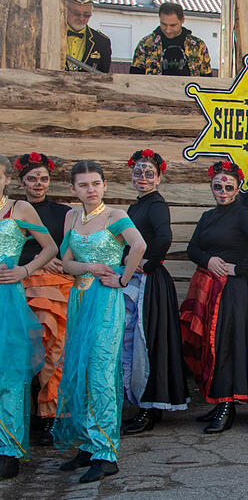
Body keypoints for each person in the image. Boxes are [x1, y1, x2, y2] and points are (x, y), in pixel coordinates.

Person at [55, 160, 146, 483]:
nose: (90, 190)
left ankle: (107, 453)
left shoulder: (115, 216)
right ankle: (88, 444)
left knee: (100, 371)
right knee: (77, 369)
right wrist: (91, 268)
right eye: (83, 185)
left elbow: (139, 245)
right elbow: (66, 263)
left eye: (96, 183)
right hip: (79, 300)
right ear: (73, 189)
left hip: (106, 302)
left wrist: (123, 279)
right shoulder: (71, 217)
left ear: (105, 185)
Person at [179, 161, 248, 434]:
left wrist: (239, 268)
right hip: (208, 288)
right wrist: (209, 259)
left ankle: (227, 405)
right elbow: (192, 248)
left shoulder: (242, 215)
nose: (222, 191)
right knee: (210, 344)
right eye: (217, 186)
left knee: (226, 344)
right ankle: (217, 399)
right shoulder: (207, 217)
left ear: (237, 188)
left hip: (232, 291)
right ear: (212, 187)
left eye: (228, 187)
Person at [121, 150, 190, 435]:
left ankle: (149, 408)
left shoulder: (156, 205)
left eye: (149, 173)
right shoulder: (136, 207)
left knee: (146, 342)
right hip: (138, 278)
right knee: (140, 342)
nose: (143, 178)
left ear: (159, 178)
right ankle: (146, 404)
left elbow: (164, 238)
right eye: (139, 172)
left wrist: (144, 265)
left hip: (150, 281)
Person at [0, 155, 58, 480]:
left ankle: (8, 450)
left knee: (8, 376)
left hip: (7, 302)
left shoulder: (19, 210)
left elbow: (50, 247)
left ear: (6, 180)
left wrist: (25, 269)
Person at [14, 153, 72, 446]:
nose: (38, 184)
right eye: (32, 179)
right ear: (21, 182)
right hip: (20, 286)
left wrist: (59, 260)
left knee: (54, 349)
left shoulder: (63, 213)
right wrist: (39, 260)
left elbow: (71, 247)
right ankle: (21, 414)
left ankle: (52, 416)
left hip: (55, 288)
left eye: (43, 179)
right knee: (22, 350)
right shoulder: (14, 211)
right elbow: (12, 248)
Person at [129, 2, 212, 76]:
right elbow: (134, 79)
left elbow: (207, 82)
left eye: (173, 25)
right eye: (164, 24)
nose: (168, 30)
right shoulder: (146, 44)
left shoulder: (198, 46)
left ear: (182, 20)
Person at [64, 0, 111, 73]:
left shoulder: (102, 42)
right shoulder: (50, 38)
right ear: (65, 10)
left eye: (86, 15)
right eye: (76, 13)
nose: (81, 18)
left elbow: (103, 80)